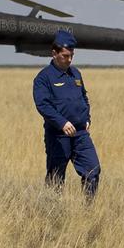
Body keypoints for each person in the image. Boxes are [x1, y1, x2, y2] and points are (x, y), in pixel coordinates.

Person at [32, 29, 100, 198]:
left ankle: (88, 210)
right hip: (58, 135)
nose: (69, 59)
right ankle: (52, 211)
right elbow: (43, 105)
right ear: (54, 53)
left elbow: (84, 96)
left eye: (71, 55)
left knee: (93, 170)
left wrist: (87, 119)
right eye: (65, 55)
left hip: (81, 134)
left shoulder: (76, 73)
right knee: (56, 177)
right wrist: (61, 122)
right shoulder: (44, 78)